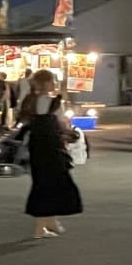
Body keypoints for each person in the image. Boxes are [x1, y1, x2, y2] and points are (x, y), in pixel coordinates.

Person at [20, 70, 83, 239]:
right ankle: (42, 226)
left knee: (42, 183)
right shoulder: (54, 102)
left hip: (35, 146)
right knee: (56, 183)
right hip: (52, 146)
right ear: (48, 83)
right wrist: (70, 134)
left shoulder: (29, 101)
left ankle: (48, 223)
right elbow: (61, 124)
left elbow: (24, 122)